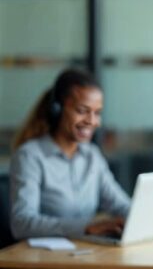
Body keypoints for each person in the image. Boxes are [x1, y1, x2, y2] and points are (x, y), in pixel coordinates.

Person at [10, 68, 130, 240]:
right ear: (57, 110)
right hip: (44, 258)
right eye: (82, 111)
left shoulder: (92, 155)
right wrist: (88, 227)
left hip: (86, 254)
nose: (92, 121)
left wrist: (142, 217)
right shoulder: (30, 156)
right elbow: (22, 224)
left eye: (97, 113)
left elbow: (120, 204)